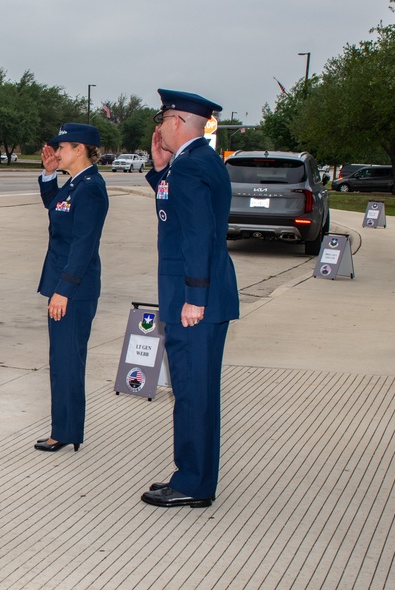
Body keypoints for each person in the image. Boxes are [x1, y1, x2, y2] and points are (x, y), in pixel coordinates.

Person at [140, 89, 239, 509]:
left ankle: (194, 483)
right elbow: (177, 215)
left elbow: (198, 233)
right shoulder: (194, 162)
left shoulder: (193, 166)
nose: (158, 128)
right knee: (193, 389)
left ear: (177, 122)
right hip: (197, 293)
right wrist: (159, 169)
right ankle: (193, 474)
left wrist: (194, 297)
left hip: (194, 297)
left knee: (193, 391)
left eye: (162, 120)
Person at [34, 123, 109, 452]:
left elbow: (83, 245)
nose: (56, 152)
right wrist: (49, 175)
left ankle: (64, 432)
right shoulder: (75, 184)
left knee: (67, 360)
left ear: (80, 149)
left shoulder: (91, 188)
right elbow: (56, 207)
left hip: (73, 290)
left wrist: (63, 290)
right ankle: (64, 429)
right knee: (62, 359)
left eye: (61, 148)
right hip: (64, 284)